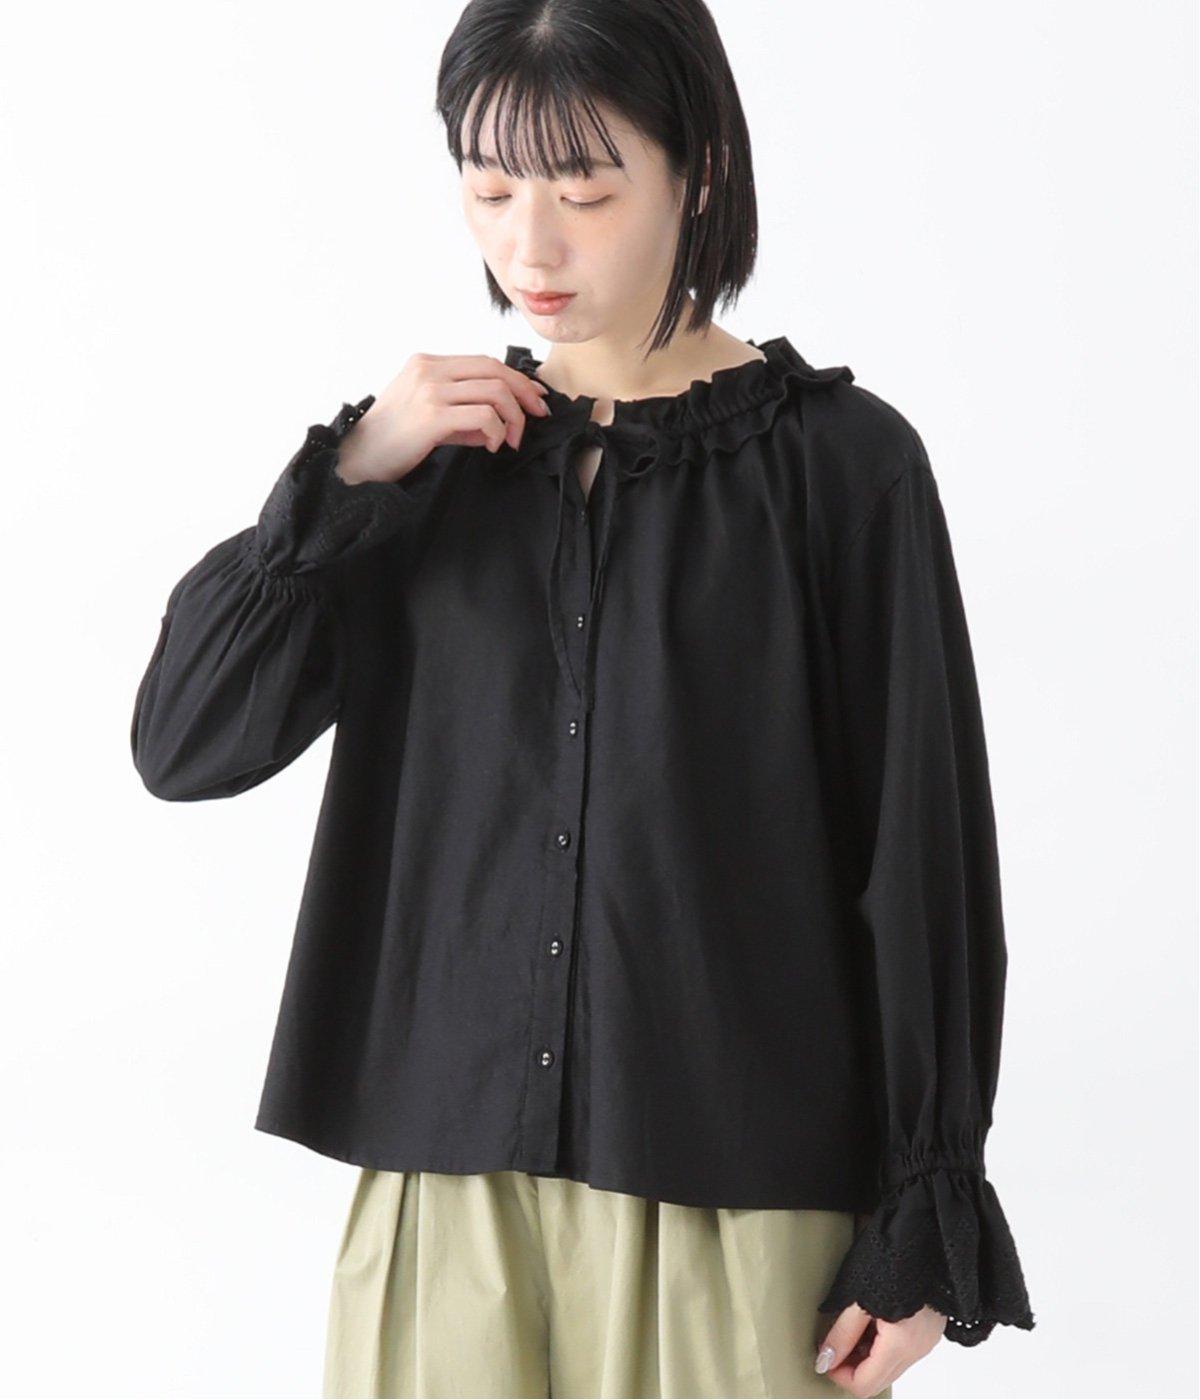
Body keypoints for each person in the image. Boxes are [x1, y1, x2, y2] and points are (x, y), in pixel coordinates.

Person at [130, 0, 1036, 1395]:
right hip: (445, 1196)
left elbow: (921, 857)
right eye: (490, 189)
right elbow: (184, 744)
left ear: (699, 172)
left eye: (585, 190)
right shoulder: (425, 470)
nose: (530, 249)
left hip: (734, 1197)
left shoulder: (843, 468)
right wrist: (350, 473)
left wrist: (928, 1203)